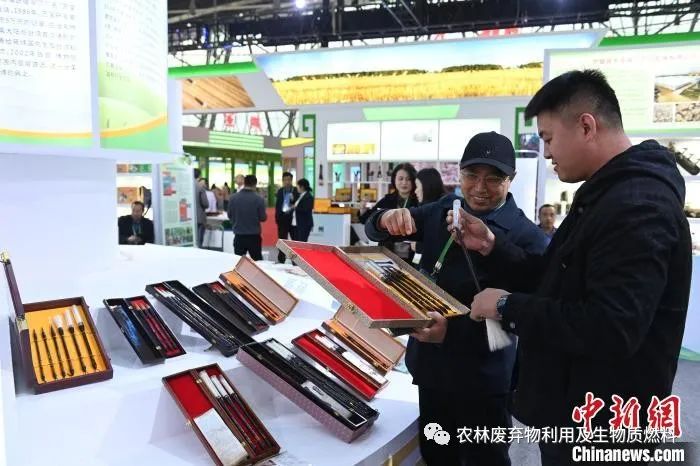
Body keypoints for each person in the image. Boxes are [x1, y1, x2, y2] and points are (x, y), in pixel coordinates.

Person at [440, 70, 690, 465]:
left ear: (587, 126)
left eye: (548, 138)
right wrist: (491, 245)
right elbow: (558, 279)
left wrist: (506, 306)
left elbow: (611, 327)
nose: (546, 153)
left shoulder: (636, 206)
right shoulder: (605, 195)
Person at [365, 132, 548, 466]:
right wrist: (383, 219)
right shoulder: (443, 211)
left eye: (493, 178)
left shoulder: (527, 238)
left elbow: (526, 316)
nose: (479, 187)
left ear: (511, 179)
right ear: (459, 173)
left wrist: (452, 332)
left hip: (484, 379)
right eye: (471, 175)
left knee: (485, 460)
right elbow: (374, 227)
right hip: (432, 370)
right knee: (437, 455)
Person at [360, 163, 418, 261]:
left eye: (408, 179)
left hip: (412, 254)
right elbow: (367, 220)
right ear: (394, 180)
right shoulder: (387, 200)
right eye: (400, 179)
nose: (404, 182)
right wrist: (363, 209)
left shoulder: (419, 201)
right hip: (388, 252)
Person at [227, 175, 267, 261]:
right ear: (255, 184)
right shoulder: (259, 199)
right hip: (254, 236)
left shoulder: (233, 198)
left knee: (239, 262)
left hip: (239, 235)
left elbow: (229, 215)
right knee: (257, 261)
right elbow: (263, 218)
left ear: (244, 183)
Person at [275, 172, 298, 262]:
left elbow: (297, 204)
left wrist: (293, 199)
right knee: (282, 241)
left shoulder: (296, 191)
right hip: (282, 219)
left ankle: (295, 261)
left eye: (289, 180)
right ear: (283, 181)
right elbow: (278, 205)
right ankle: (281, 259)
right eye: (285, 180)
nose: (287, 182)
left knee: (294, 242)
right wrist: (277, 218)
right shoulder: (280, 191)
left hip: (293, 220)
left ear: (291, 180)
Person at [291, 178, 314, 242]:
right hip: (298, 223)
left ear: (302, 187)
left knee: (302, 243)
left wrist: (295, 207)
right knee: (296, 242)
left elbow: (306, 209)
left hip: (304, 224)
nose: (297, 188)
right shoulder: (301, 195)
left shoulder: (308, 197)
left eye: (298, 186)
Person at [195, 174, 209, 248]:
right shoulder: (200, 187)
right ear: (199, 176)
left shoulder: (186, 184)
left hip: (187, 218)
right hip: (199, 217)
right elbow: (205, 203)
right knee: (199, 240)